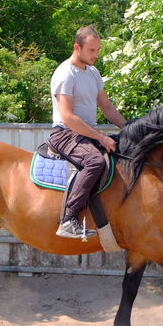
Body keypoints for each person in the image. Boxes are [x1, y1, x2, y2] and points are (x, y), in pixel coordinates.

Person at [49, 26, 126, 238]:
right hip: (65, 134)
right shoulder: (65, 74)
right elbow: (68, 117)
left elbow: (107, 108)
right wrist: (101, 137)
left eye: (98, 49)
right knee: (95, 162)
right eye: (92, 50)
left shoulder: (93, 73)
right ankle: (68, 219)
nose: (96, 55)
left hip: (86, 134)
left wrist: (130, 129)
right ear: (77, 47)